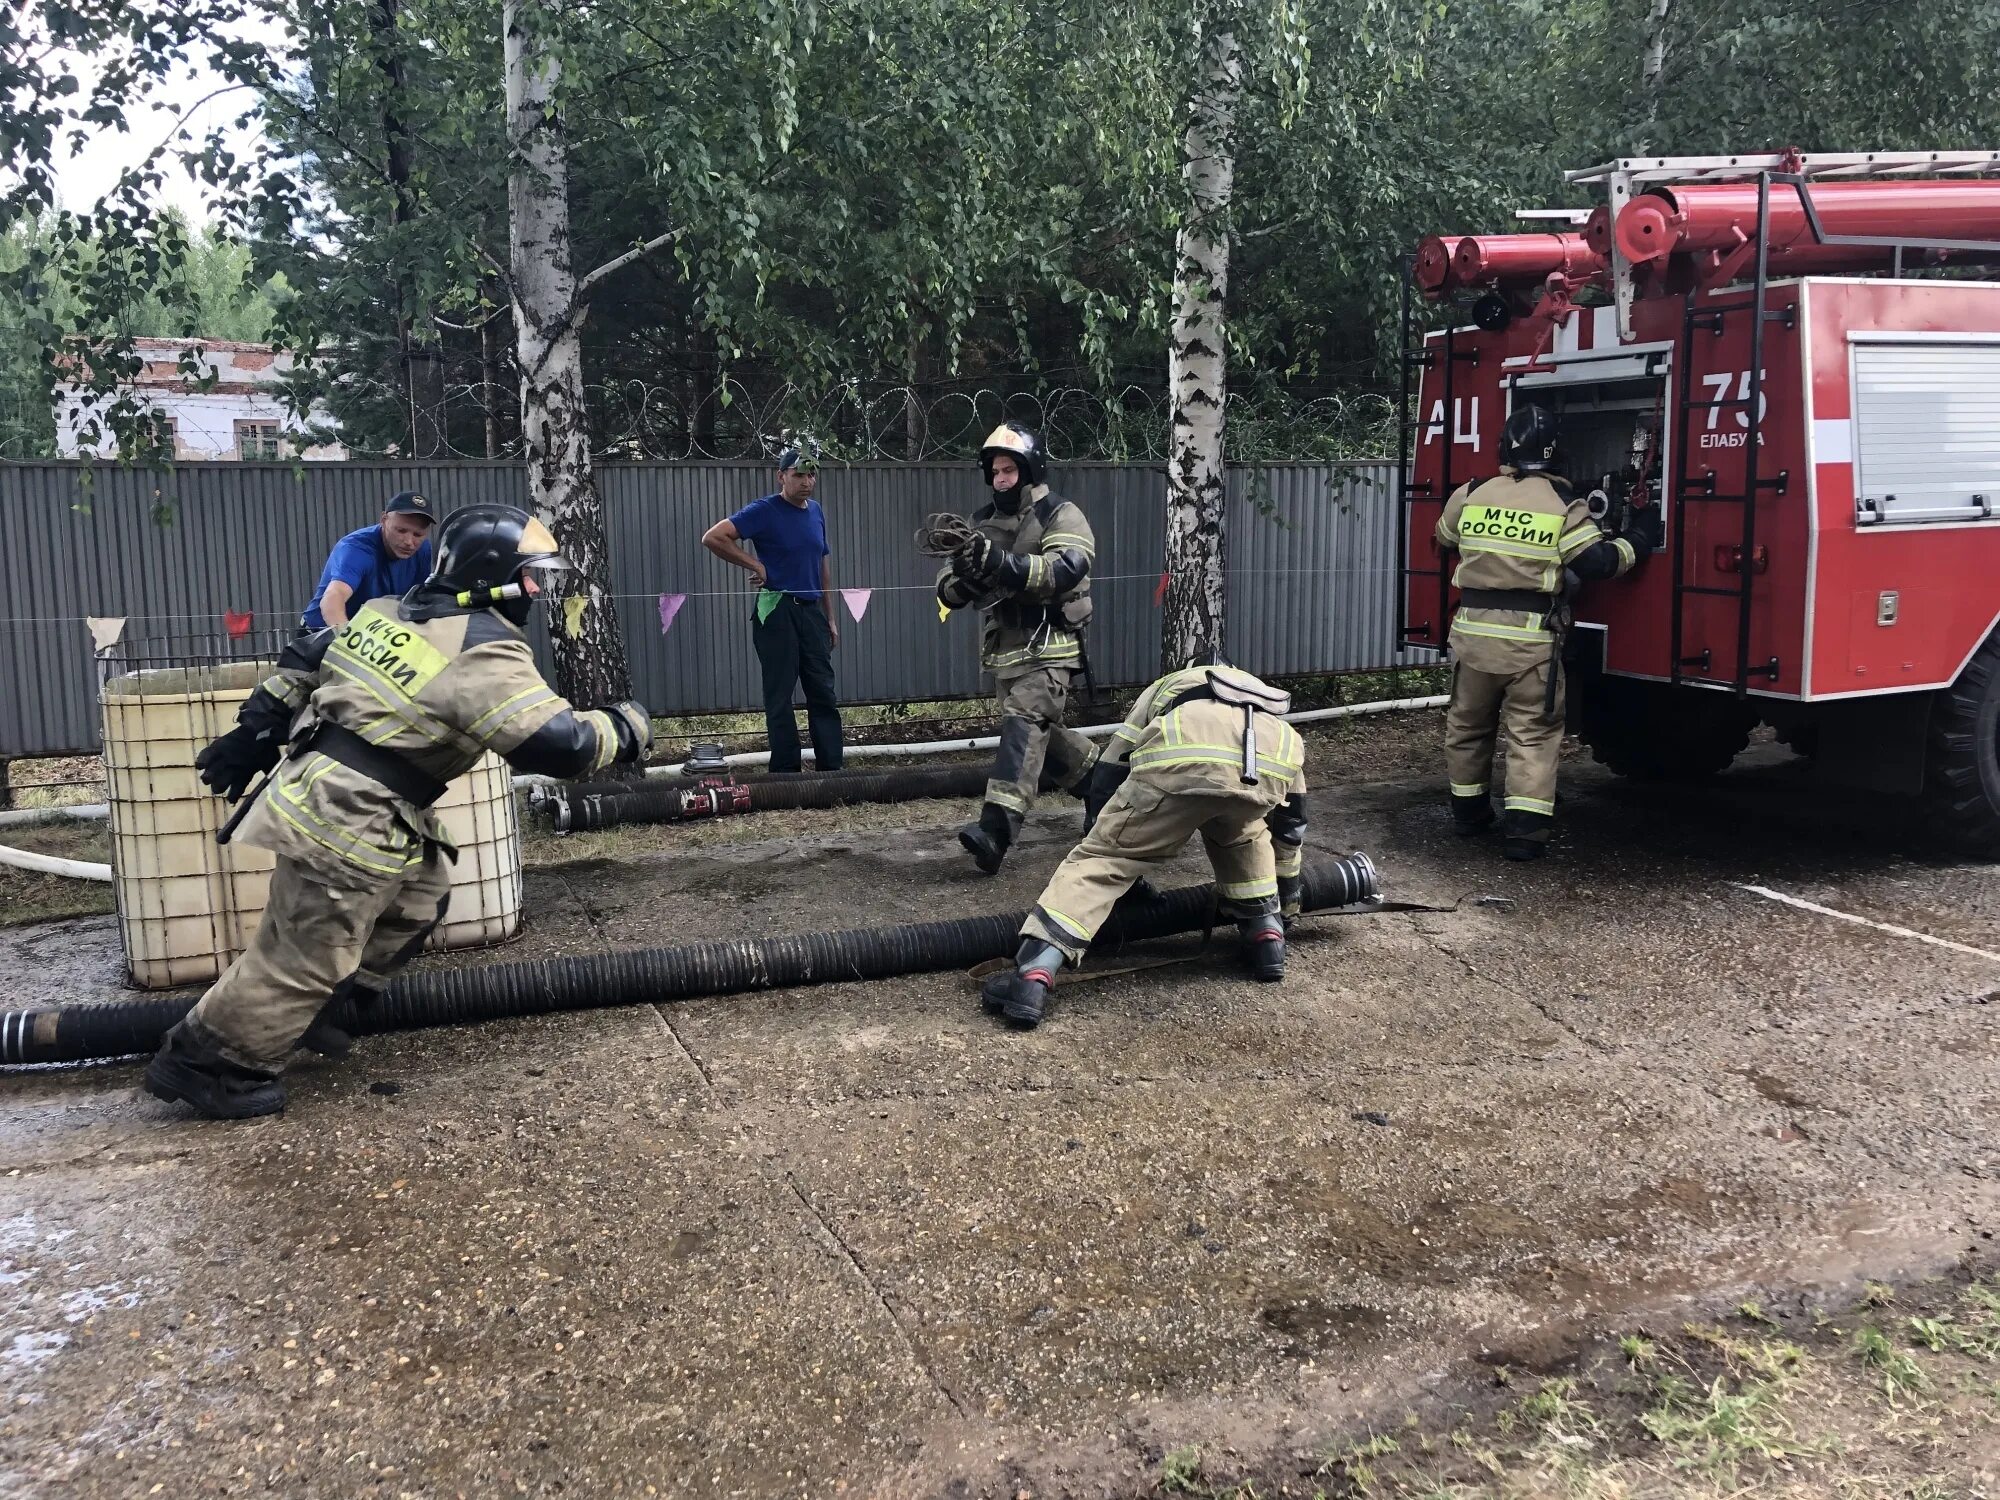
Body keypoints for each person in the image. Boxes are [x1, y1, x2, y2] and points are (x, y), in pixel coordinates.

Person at [145, 504, 653, 1120]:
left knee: (421, 888)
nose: (537, 591)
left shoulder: (391, 611)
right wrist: (625, 727)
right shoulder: (483, 648)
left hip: (336, 796)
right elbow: (560, 745)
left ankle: (333, 1003)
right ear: (490, 576)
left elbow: (309, 655)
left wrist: (256, 727)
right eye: (529, 576)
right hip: (347, 815)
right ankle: (210, 1062)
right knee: (302, 953)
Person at [978, 660, 1309, 1029]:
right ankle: (1267, 939)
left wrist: (1106, 838)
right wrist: (1289, 903)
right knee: (1244, 833)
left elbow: (1112, 767)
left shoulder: (1168, 685)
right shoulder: (1259, 696)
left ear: (1190, 668)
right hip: (1268, 768)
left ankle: (1031, 977)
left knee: (1104, 859)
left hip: (1182, 759)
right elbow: (1291, 824)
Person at [1435, 402, 1657, 861]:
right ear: (1555, 454)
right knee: (1531, 734)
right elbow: (1598, 564)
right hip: (1530, 643)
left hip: (1473, 637)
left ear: (1505, 448)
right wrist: (1640, 536)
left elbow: (1444, 539)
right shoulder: (1563, 505)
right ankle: (1524, 834)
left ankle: (1468, 816)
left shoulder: (1470, 493)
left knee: (1467, 726)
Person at [936, 422, 1098, 874]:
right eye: (995, 471)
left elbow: (1065, 568)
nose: (1001, 479)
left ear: (1030, 470)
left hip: (1051, 645)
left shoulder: (1061, 514)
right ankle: (1105, 785)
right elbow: (946, 588)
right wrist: (963, 582)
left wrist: (1001, 564)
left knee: (1025, 724)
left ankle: (996, 830)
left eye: (1009, 469)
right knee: (1040, 736)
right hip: (1005, 651)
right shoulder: (978, 523)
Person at [701, 448, 843, 773]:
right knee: (780, 695)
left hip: (812, 613)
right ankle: (786, 773)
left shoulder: (816, 511)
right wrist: (755, 564)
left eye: (811, 475)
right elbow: (713, 537)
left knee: (823, 690)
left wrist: (830, 618)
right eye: (798, 475)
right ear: (781, 476)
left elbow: (822, 566)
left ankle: (833, 771)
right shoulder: (764, 510)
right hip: (777, 609)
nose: (807, 482)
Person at [300, 490, 437, 630]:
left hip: (374, 634)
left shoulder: (423, 549)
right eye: (401, 531)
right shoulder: (356, 549)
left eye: (418, 534)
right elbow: (334, 598)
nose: (409, 541)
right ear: (383, 520)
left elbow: (417, 600)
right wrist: (347, 639)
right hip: (321, 633)